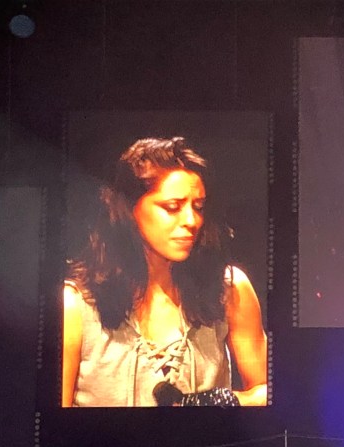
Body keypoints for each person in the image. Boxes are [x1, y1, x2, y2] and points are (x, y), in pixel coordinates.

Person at [63, 137, 267, 407]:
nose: (191, 221)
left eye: (198, 207)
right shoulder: (75, 306)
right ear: (129, 208)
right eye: (172, 207)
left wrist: (220, 402)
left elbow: (269, 391)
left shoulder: (228, 288)